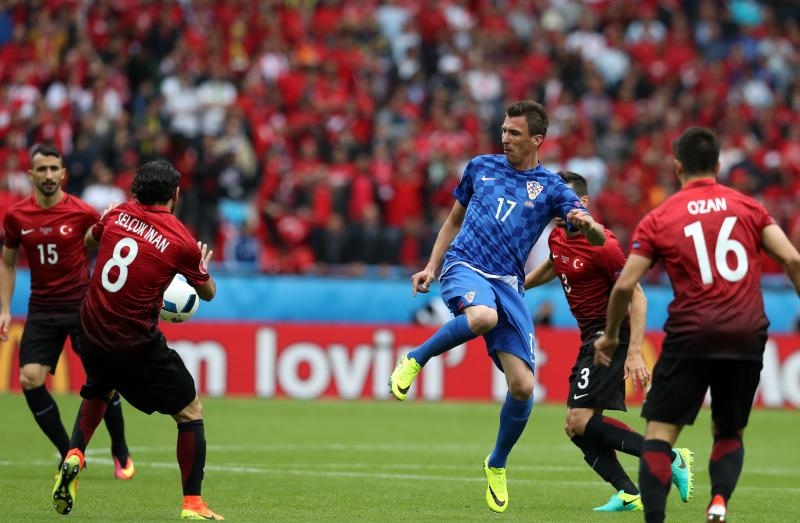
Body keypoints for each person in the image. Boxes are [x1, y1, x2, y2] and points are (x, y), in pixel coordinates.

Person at [388, 100, 606, 513]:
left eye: (515, 133)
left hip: (508, 283)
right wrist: (432, 266)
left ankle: (497, 462)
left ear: (537, 140)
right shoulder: (480, 167)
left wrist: (588, 225)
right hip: (465, 265)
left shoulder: (551, 187)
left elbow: (582, 222)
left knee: (524, 387)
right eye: (504, 130)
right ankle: (415, 359)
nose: (504, 138)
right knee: (482, 316)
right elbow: (453, 220)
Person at [594, 127, 800, 523]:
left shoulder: (660, 217)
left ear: (676, 167)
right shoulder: (749, 207)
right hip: (746, 332)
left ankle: (655, 518)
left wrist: (611, 335)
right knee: (728, 432)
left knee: (659, 435)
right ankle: (719, 501)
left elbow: (624, 285)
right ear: (719, 165)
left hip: (691, 334)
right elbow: (792, 259)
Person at [49, 160, 223, 520]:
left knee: (100, 389)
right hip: (133, 340)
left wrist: (109, 219)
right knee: (190, 412)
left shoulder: (117, 214)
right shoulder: (181, 240)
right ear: (175, 195)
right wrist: (200, 265)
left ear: (136, 191)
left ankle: (74, 454)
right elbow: (208, 293)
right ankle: (193, 504)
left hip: (91, 326)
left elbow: (87, 241)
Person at [524, 171, 694, 512]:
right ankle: (628, 492)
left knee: (580, 420)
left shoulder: (605, 245)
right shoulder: (557, 236)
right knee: (576, 429)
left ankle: (670, 456)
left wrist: (633, 353)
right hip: (590, 335)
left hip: (611, 334)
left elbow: (639, 296)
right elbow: (554, 266)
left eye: (566, 201)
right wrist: (518, 286)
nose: (558, 208)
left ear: (584, 203)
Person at [0, 144, 134, 479]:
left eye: (53, 169)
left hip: (80, 306)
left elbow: (97, 241)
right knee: (29, 379)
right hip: (42, 308)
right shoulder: (17, 216)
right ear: (31, 175)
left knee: (101, 379)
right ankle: (69, 452)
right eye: (41, 169)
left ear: (63, 174)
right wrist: (4, 307)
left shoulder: (82, 211)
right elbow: (7, 262)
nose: (47, 175)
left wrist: (106, 225)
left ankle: (120, 449)